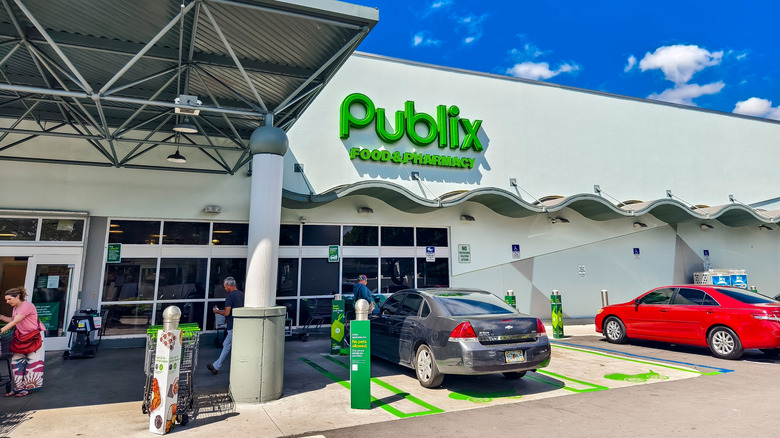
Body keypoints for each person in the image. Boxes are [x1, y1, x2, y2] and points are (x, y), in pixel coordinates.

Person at [1, 286, 45, 397]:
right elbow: (13, 320)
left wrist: (1, 330)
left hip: (34, 337)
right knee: (16, 362)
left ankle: (28, 388)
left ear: (17, 296)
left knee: (33, 362)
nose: (7, 302)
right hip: (22, 338)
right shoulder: (15, 308)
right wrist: (1, 316)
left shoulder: (27, 306)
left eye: (9, 299)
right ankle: (17, 388)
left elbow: (16, 321)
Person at [207, 277, 244, 375]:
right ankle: (216, 365)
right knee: (233, 345)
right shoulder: (242, 295)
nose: (225, 289)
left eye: (225, 287)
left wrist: (217, 311)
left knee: (226, 345)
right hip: (242, 324)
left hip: (233, 325)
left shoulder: (230, 297)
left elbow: (227, 313)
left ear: (229, 285)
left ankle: (216, 366)